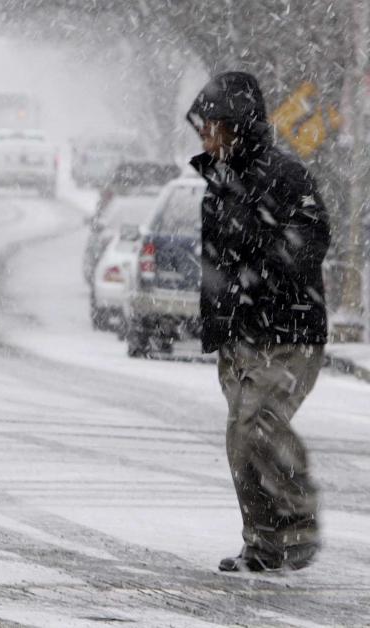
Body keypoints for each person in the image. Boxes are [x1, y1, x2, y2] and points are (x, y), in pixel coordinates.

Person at [187, 71, 330, 573]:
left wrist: (266, 267)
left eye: (211, 125)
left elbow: (313, 238)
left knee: (259, 426)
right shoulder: (218, 186)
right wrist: (216, 323)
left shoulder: (285, 176)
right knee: (241, 441)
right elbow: (214, 264)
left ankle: (298, 521)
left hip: (288, 332)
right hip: (240, 337)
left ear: (236, 125)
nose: (204, 135)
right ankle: (264, 544)